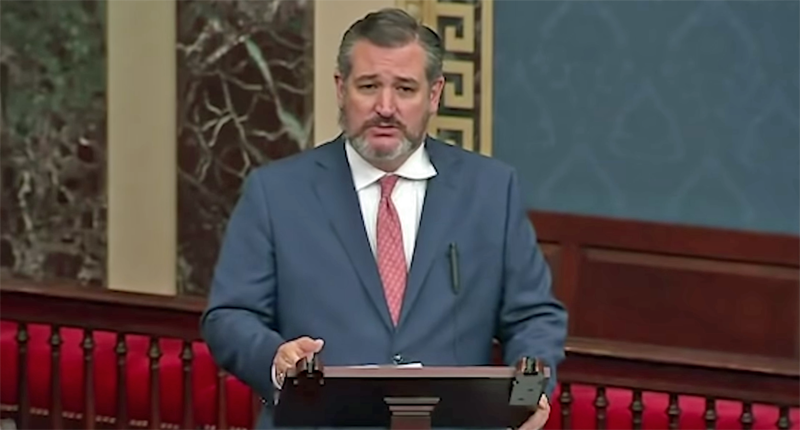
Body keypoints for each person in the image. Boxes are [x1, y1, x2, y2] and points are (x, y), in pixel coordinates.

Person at [201, 7, 568, 430]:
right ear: (341, 89)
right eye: (369, 86)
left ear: (434, 94)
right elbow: (229, 316)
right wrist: (275, 358)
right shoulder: (276, 193)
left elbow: (534, 317)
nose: (385, 107)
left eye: (405, 88)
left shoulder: (490, 191)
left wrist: (525, 397)